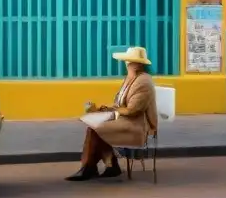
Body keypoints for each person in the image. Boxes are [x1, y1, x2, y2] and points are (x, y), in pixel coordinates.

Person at [66, 45, 157, 182]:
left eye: (129, 61)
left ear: (137, 65)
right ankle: (108, 165)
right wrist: (102, 109)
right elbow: (120, 104)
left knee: (97, 130)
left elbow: (132, 110)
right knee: (94, 127)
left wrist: (112, 110)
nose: (127, 64)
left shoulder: (143, 82)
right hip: (124, 120)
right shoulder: (131, 78)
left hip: (136, 125)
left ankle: (90, 168)